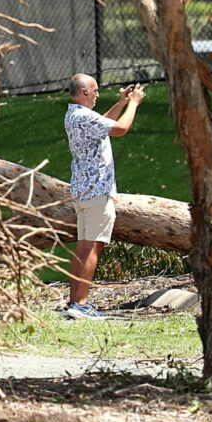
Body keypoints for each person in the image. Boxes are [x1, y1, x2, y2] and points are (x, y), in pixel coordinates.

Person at [61, 74, 144, 320]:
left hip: (83, 191)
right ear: (84, 92)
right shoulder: (83, 116)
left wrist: (120, 102)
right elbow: (120, 128)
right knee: (93, 247)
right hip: (97, 192)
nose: (97, 94)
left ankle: (74, 302)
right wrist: (133, 104)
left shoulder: (75, 115)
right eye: (95, 91)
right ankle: (82, 304)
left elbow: (103, 125)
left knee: (83, 247)